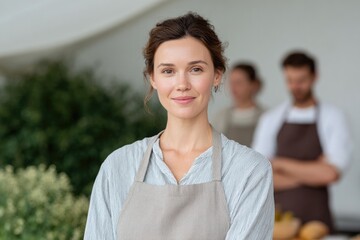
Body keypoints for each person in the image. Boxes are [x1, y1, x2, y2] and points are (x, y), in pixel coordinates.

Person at [84, 12, 274, 240]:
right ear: (153, 78)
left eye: (195, 69)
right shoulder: (118, 167)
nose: (182, 84)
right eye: (168, 71)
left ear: (217, 75)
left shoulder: (249, 171)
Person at [252, 51, 352, 232]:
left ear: (315, 77)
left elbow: (330, 174)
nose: (295, 86)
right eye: (290, 80)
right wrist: (314, 171)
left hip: (318, 224)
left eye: (302, 80)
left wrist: (279, 164)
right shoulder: (271, 119)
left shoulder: (334, 117)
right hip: (278, 224)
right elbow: (260, 177)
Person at [213, 62, 264, 146]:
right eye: (232, 82)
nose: (234, 88)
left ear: (253, 85)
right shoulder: (221, 117)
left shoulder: (266, 117)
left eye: (239, 82)